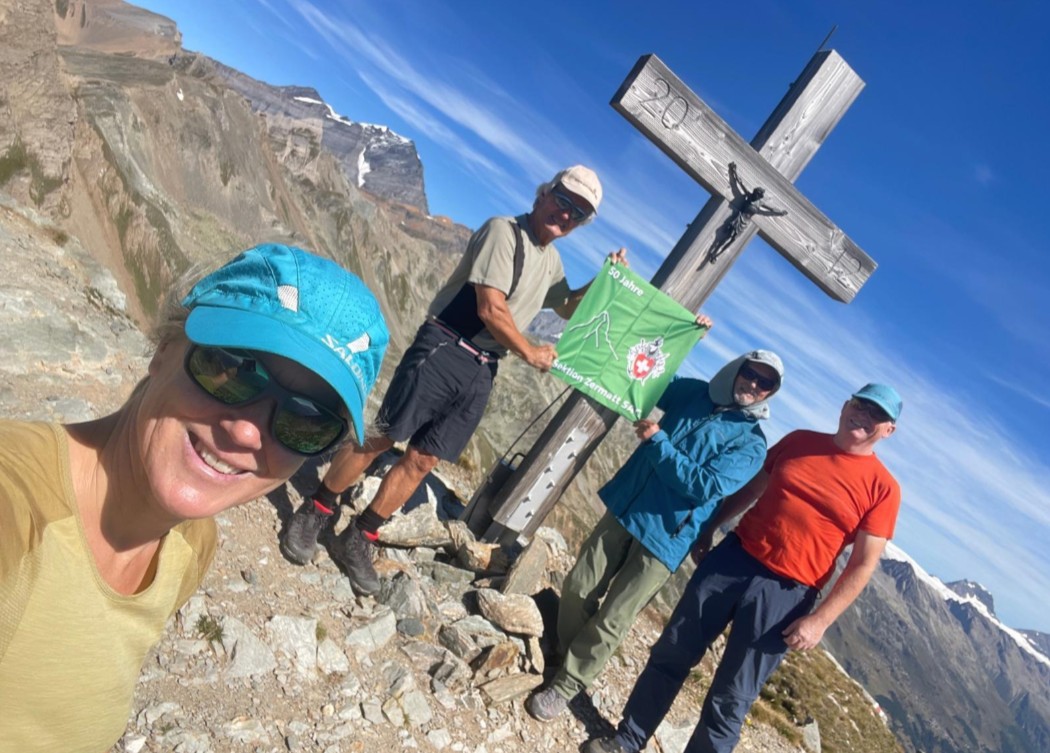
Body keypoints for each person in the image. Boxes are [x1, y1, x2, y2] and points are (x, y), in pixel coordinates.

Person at [0, 244, 388, 753]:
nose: (249, 433)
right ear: (164, 350)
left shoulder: (191, 544)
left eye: (307, 422)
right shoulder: (18, 504)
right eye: (230, 369)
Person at [280, 165, 626, 595]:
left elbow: (567, 308)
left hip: (483, 368)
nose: (566, 214)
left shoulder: (551, 261)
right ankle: (316, 510)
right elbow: (490, 307)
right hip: (446, 345)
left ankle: (360, 537)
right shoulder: (504, 233)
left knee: (424, 459)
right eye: (564, 200)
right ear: (545, 193)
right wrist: (529, 351)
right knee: (383, 437)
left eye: (578, 212)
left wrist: (604, 280)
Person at [583, 383, 902, 753]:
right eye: (861, 405)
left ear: (889, 430)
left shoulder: (884, 489)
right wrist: (709, 529)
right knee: (672, 651)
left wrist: (820, 620)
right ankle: (627, 739)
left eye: (877, 414)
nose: (864, 416)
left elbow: (863, 565)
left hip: (787, 593)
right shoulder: (799, 441)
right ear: (846, 405)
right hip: (734, 559)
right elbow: (752, 489)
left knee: (732, 696)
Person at [526, 346, 785, 722]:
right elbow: (648, 378)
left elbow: (703, 486)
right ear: (738, 369)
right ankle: (566, 657)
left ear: (771, 393)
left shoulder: (752, 445)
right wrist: (687, 335)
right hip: (627, 506)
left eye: (766, 382)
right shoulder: (696, 393)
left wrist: (657, 442)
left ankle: (566, 686)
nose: (755, 384)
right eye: (751, 373)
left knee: (614, 617)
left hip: (667, 537)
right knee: (579, 585)